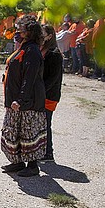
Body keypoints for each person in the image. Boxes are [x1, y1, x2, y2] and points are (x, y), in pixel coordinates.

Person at [1, 16, 47, 177]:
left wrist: (20, 99)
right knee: (14, 130)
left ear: (29, 32)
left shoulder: (32, 50)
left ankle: (32, 166)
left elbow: (30, 77)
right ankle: (18, 162)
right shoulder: (23, 47)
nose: (18, 32)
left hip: (28, 102)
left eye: (21, 29)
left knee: (28, 132)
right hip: (15, 100)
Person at [41, 23, 63, 164]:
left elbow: (52, 79)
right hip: (43, 93)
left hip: (49, 95)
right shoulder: (42, 50)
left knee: (46, 123)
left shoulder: (54, 54)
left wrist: (40, 93)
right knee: (41, 123)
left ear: (49, 36)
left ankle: (48, 153)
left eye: (42, 33)